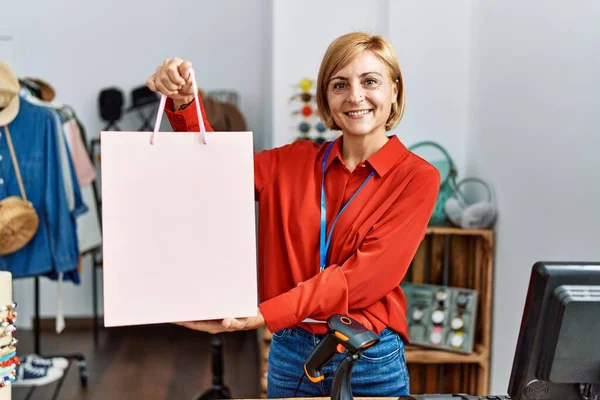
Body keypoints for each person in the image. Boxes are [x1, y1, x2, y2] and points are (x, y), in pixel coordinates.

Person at [146, 31, 440, 397]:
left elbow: (364, 277)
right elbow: (212, 173)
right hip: (291, 350)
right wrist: (185, 101)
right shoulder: (290, 162)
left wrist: (264, 313)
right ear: (326, 98)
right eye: (339, 84)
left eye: (370, 81)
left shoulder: (417, 177)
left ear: (394, 89)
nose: (355, 96)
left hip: (367, 356)